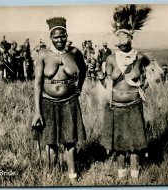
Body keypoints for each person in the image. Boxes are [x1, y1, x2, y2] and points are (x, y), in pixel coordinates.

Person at [31, 17, 87, 182]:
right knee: (50, 141)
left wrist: (80, 87)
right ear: (51, 38)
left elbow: (83, 69)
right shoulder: (43, 55)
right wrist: (37, 111)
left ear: (67, 35)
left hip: (70, 101)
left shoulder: (75, 52)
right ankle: (51, 175)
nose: (60, 39)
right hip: (48, 102)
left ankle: (72, 175)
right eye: (56, 37)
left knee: (70, 141)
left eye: (63, 36)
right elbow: (37, 84)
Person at [99, 4, 151, 179]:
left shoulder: (140, 58)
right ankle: (121, 175)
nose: (121, 43)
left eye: (124, 39)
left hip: (134, 105)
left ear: (130, 38)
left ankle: (135, 176)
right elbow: (106, 84)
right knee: (119, 143)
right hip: (116, 107)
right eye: (118, 40)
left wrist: (141, 88)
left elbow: (149, 77)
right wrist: (99, 76)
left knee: (135, 143)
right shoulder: (111, 59)